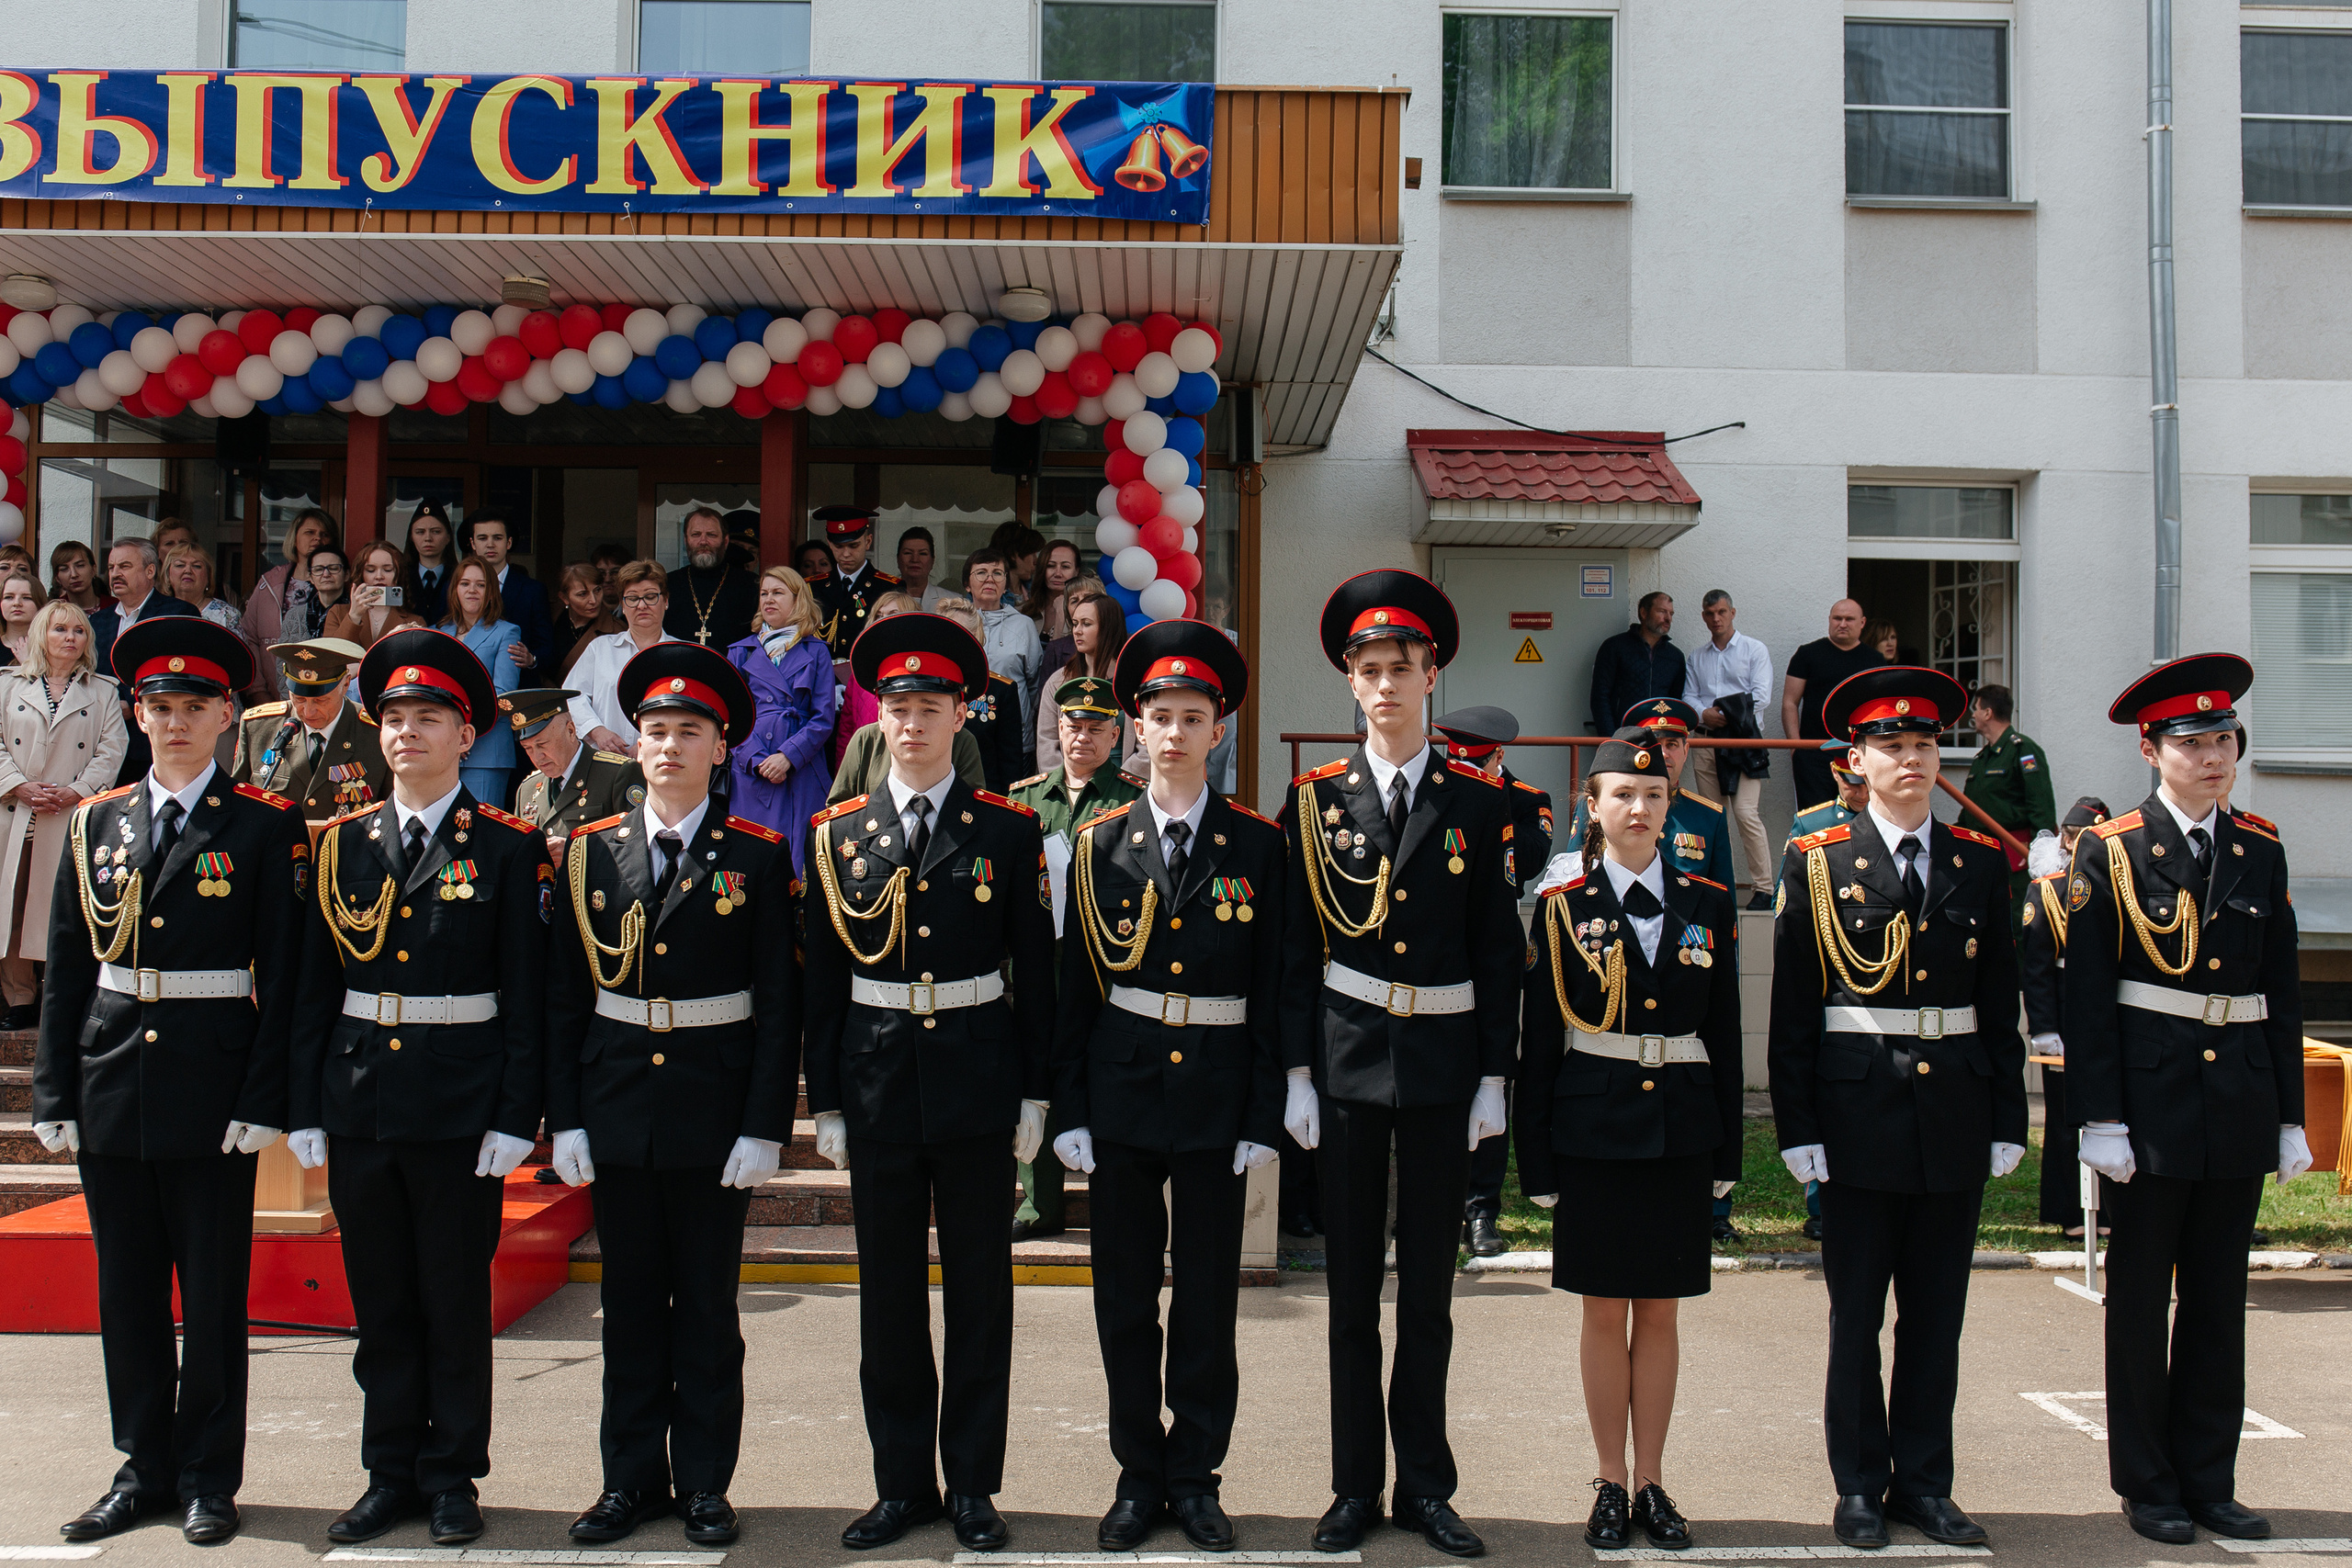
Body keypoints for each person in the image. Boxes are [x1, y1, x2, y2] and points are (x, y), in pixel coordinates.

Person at [32, 617, 305, 1548]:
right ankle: (141, 1467)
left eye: (195, 706)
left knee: (215, 1294)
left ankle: (208, 1478)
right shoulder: (96, 821)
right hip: (112, 1076)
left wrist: (265, 1097)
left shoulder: (265, 824)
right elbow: (69, 966)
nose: (176, 722)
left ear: (227, 715)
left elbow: (285, 976)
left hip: (213, 1083)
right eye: (160, 706)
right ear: (138, 714)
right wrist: (53, 1089)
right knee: (128, 1292)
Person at [288, 627, 550, 1549]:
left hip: (460, 1105)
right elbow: (312, 988)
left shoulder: (510, 848)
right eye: (394, 717)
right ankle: (388, 1472)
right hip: (361, 1097)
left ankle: (452, 1477)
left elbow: (529, 995)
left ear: (466, 734)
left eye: (428, 718)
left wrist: (517, 1114)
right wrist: (304, 1104)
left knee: (452, 1300)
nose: (407, 732)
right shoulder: (341, 844)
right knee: (382, 1303)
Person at [801, 612, 1055, 1554]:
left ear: (961, 715)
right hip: (876, 1081)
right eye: (897, 707)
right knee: (890, 1296)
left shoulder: (1008, 831)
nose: (912, 724)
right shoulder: (839, 833)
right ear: (879, 716)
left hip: (979, 1081)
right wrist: (826, 1098)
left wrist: (1036, 1093)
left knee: (981, 1293)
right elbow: (822, 980)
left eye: (930, 708)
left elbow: (1038, 973)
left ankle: (974, 1485)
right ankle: (901, 1484)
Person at [1279, 570, 1518, 1558]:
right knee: (1348, 1293)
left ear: (1430, 677)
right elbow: (1295, 948)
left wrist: (1494, 1077)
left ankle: (1424, 1486)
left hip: (1441, 1065)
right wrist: (1296, 1074)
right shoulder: (1314, 803)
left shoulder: (1479, 803)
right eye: (1369, 669)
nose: (1385, 684)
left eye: (1401, 668)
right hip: (1344, 1064)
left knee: (1427, 1290)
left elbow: (1497, 948)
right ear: (1351, 682)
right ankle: (1351, 1487)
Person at [547, 642, 798, 1549]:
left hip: (711, 1110)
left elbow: (778, 1004)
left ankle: (702, 1484)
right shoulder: (588, 853)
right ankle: (627, 1483)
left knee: (705, 1309)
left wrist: (765, 1125)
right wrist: (566, 1118)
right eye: (654, 730)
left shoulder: (758, 857)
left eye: (689, 732)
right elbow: (565, 997)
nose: (668, 746)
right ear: (636, 744)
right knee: (627, 1307)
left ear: (720, 747)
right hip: (617, 1103)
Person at [1769, 665, 2023, 1552]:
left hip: (1953, 1110)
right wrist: (1797, 1127)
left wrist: (2009, 1117)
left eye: (1923, 744)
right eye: (1892, 745)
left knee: (1936, 1316)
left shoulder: (1978, 861)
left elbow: (1999, 999)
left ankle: (1924, 1482)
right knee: (1856, 1318)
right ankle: (1857, 1486)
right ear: (1857, 761)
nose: (1911, 758)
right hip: (1857, 1113)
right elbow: (1794, 1009)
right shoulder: (1818, 861)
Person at [2063, 654, 2305, 1548]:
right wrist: (2100, 1116)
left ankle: (2209, 1479)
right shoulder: (2113, 848)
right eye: (2191, 743)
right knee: (2138, 1301)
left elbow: (2281, 989)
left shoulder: (2260, 846)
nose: (2211, 757)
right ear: (2150, 749)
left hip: (2236, 1097)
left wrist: (2290, 1115)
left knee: (2217, 1297)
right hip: (2151, 1102)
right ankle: (2148, 1481)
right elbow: (2088, 996)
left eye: (2223, 740)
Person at [1050, 619, 1282, 1553]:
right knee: (1124, 1297)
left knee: (1207, 1301)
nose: (1175, 733)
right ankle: (1137, 1475)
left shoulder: (1258, 845)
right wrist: (1070, 1105)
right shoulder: (1098, 844)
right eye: (1160, 717)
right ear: (1136, 729)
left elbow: (1273, 987)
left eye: (1193, 717)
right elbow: (1075, 986)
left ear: (1217, 730)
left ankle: (1195, 1476)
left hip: (1219, 1093)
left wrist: (1265, 1109)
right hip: (1123, 1094)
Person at [1517, 730, 1741, 1552]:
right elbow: (1540, 1042)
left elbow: (1725, 1034)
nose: (1639, 807)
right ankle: (1610, 1479)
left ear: (1668, 806)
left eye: (1652, 795)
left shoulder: (1708, 900)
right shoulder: (1560, 906)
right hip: (1594, 1130)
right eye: (1622, 794)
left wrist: (1728, 1155)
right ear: (1593, 806)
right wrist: (1536, 1158)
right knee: (1604, 1310)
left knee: (1662, 1311)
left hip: (1681, 1130)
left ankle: (1653, 1480)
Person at [1009, 675, 1146, 1243]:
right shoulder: (1023, 800)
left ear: (1116, 736)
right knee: (1036, 1074)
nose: (1083, 737)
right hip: (1039, 963)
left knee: (1104, 1073)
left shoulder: (1135, 799)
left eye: (1096, 727)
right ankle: (1038, 1202)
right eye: (1073, 726)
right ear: (1058, 731)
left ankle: (1113, 1193)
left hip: (1106, 962)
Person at [1428, 706, 1552, 1259]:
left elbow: (1525, 859)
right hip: (1441, 949)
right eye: (1458, 763)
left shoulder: (1526, 800)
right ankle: (1436, 1202)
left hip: (1496, 949)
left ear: (1498, 758)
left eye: (1477, 765)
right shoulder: (1434, 791)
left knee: (1494, 1073)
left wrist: (1488, 798)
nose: (1466, 772)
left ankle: (1482, 1208)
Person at [0, 600, 127, 1028]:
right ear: (41, 634)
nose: (70, 638)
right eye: (60, 629)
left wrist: (77, 791)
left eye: (78, 631)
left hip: (70, 815)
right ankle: (18, 998)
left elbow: (112, 750)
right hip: (15, 811)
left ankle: (57, 998)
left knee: (63, 912)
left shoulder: (103, 691)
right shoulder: (7, 684)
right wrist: (17, 784)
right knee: (12, 907)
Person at [2019, 795, 2109, 1237]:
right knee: (2063, 1117)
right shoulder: (2047, 889)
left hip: (2110, 1014)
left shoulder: (2119, 885)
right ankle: (2070, 1211)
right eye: (2077, 838)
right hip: (2065, 1014)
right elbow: (2035, 966)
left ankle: (2110, 1211)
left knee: (2111, 1114)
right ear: (2066, 840)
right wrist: (2044, 1028)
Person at [725, 565, 836, 874]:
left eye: (777, 593)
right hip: (752, 774)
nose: (768, 600)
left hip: (801, 771)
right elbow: (730, 718)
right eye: (764, 594)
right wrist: (757, 760)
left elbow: (823, 718)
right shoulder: (741, 652)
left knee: (801, 867)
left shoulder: (817, 652)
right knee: (751, 864)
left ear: (798, 600)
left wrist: (788, 757)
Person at [1681, 589, 1774, 908]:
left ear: (1732, 613)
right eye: (1710, 614)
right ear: (1703, 616)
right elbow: (1689, 696)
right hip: (1707, 740)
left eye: (1721, 612)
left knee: (1746, 814)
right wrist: (1704, 713)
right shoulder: (1697, 656)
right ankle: (1716, 884)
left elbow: (1762, 696)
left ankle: (1764, 888)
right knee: (1712, 815)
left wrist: (1724, 711)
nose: (1716, 619)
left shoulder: (1754, 650)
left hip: (1743, 741)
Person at [231, 639, 388, 824]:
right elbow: (237, 804)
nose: (308, 712)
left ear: (346, 685)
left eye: (321, 700)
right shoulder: (258, 727)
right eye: (299, 699)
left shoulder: (376, 732)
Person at [98, 538, 202, 788]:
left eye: (124, 566)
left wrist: (130, 700)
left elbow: (178, 671)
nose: (115, 574)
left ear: (150, 571)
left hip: (153, 741)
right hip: (103, 747)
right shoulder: (97, 622)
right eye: (111, 568)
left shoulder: (178, 614)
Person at [508, 688, 644, 860]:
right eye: (527, 748)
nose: (537, 757)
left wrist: (578, 852)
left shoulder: (618, 773)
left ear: (571, 731)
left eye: (542, 745)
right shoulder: (527, 789)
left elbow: (638, 846)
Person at [1962, 683, 2057, 924]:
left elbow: (2041, 806)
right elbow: (1970, 811)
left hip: (2015, 855)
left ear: (1988, 713)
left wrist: (2039, 852)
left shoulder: (2023, 750)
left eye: (1976, 709)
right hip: (1982, 854)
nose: (1973, 715)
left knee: (2018, 923)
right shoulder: (1982, 759)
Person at [437, 558, 526, 808]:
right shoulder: (439, 632)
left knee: (480, 826)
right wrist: (451, 736)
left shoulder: (507, 632)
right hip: (443, 750)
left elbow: (502, 694)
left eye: (481, 584)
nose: (472, 590)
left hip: (486, 751)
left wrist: (463, 732)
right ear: (455, 589)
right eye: (465, 583)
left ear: (491, 592)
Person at [1781, 599, 1884, 812]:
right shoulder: (1807, 654)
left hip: (1858, 751)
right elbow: (1790, 702)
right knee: (1816, 817)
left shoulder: (1875, 660)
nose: (1842, 624)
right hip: (1813, 752)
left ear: (1862, 623)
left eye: (1849, 619)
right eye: (1837, 618)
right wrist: (1796, 748)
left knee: (1859, 816)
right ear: (1829, 620)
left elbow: (1880, 708)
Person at [569, 562, 683, 754]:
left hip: (662, 759)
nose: (641, 605)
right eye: (632, 598)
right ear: (622, 605)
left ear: (665, 601)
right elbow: (572, 696)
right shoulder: (600, 648)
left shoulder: (682, 654)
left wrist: (650, 743)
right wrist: (597, 731)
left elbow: (689, 713)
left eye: (650, 597)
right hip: (603, 758)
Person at [1034, 582, 1130, 773]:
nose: (1077, 631)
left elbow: (1146, 748)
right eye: (1075, 623)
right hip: (1069, 784)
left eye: (1086, 624)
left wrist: (1121, 783)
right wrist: (1068, 782)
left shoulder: (1133, 682)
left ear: (1108, 628)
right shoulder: (1058, 681)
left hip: (1124, 783)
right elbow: (1047, 742)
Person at [240, 509, 337, 694]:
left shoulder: (339, 586)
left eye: (324, 534)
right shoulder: (269, 583)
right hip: (270, 693)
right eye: (310, 532)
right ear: (294, 539)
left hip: (322, 692)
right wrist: (258, 692)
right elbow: (249, 638)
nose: (318, 538)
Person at [941, 592, 1031, 792]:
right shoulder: (926, 687)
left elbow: (1010, 766)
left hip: (983, 796)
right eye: (948, 633)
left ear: (978, 639)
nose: (955, 641)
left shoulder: (1001, 690)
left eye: (963, 634)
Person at [966, 549, 1043, 759]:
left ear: (1006, 583)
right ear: (967, 584)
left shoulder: (1023, 625)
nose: (990, 579)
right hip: (965, 733)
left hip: (1015, 737)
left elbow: (1034, 684)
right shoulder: (958, 622)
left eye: (997, 573)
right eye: (981, 572)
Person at [462, 513, 550, 682]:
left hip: (520, 685)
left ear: (509, 542)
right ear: (473, 543)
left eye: (497, 538)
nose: (490, 544)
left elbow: (546, 647)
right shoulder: (455, 587)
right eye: (482, 538)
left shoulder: (533, 590)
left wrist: (532, 659)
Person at [1588, 592, 1683, 740]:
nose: (1668, 618)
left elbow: (1675, 702)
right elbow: (1600, 697)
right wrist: (1611, 738)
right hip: (1621, 736)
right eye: (1661, 611)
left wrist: (1669, 739)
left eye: (1671, 613)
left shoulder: (1675, 656)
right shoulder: (1614, 647)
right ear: (1644, 613)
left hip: (1659, 739)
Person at [811, 506, 900, 661]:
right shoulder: (812, 588)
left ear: (868, 542)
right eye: (839, 546)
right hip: (822, 672)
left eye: (854, 545)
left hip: (866, 672)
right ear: (829, 543)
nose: (846, 554)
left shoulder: (889, 588)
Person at [665, 506, 760, 650]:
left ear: (725, 541)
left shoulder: (751, 586)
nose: (703, 541)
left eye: (711, 535)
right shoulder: (667, 584)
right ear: (686, 540)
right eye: (696, 534)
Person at [322, 541, 425, 650]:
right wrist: (354, 616)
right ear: (361, 575)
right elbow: (332, 655)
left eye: (387, 570)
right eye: (370, 570)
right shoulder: (337, 613)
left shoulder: (415, 621)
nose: (379, 576)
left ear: (398, 575)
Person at [551, 563, 620, 678]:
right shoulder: (552, 618)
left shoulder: (616, 630)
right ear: (565, 598)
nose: (593, 600)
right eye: (583, 594)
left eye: (597, 590)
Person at [164, 546, 243, 637]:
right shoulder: (159, 613)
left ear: (208, 577)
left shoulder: (228, 615)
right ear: (167, 575)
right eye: (180, 565)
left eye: (197, 566)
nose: (188, 571)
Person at [404, 502, 458, 627]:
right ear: (411, 537)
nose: (428, 538)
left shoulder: (459, 576)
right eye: (420, 532)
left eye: (436, 532)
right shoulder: (402, 576)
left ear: (448, 537)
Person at [1026, 538, 1082, 647]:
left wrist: (1061, 616)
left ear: (1076, 571)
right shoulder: (1024, 611)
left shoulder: (1085, 613)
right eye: (1051, 566)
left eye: (1065, 567)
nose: (1058, 574)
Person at [50, 538, 111, 618]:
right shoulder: (53, 613)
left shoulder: (115, 607)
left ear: (93, 569)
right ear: (57, 578)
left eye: (80, 566)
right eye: (64, 569)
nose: (74, 574)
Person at [895, 525, 947, 610]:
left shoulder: (951, 601)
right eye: (908, 553)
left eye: (923, 553)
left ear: (932, 561)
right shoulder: (881, 599)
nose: (915, 559)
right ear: (898, 559)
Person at [2, 569, 43, 663]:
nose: (17, 603)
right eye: (9, 597)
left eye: (27, 598)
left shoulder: (52, 648)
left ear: (40, 603)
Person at [591, 542, 633, 611]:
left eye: (615, 572)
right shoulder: (586, 613)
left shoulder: (639, 608)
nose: (608, 579)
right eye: (601, 573)